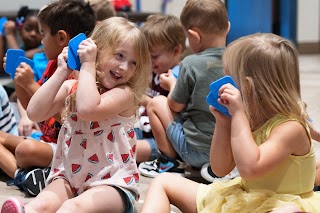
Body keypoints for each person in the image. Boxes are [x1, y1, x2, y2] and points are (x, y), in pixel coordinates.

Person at [141, 33, 320, 213]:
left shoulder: (290, 128)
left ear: (247, 86)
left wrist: (238, 116)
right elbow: (219, 168)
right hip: (244, 198)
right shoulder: (245, 119)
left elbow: (251, 168)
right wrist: (223, 122)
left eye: (228, 78)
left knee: (288, 211)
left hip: (281, 204)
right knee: (163, 182)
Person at [2, 16, 151, 213]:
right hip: (70, 177)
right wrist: (62, 71)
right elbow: (35, 112)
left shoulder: (125, 94)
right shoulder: (72, 86)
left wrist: (88, 65)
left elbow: (88, 109)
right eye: (120, 56)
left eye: (133, 63)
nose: (124, 67)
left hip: (113, 184)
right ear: (98, 49)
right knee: (42, 203)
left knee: (71, 208)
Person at [0, 0, 95, 196]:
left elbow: (63, 115)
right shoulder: (53, 66)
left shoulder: (78, 74)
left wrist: (29, 84)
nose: (41, 40)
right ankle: (25, 177)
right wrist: (19, 80)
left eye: (43, 33)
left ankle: (27, 173)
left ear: (61, 38)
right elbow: (36, 112)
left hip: (70, 150)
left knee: (25, 151)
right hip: (47, 142)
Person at [138, 0, 230, 178]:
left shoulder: (190, 64)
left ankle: (169, 163)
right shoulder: (237, 60)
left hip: (195, 151)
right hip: (227, 150)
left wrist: (172, 85)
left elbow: (175, 105)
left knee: (157, 103)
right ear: (227, 27)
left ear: (194, 36)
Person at [135, 14, 186, 163]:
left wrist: (144, 100)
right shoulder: (154, 71)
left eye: (155, 56)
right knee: (115, 141)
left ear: (176, 51)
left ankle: (166, 161)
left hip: (162, 141)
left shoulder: (178, 76)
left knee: (128, 150)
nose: (150, 62)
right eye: (146, 56)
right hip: (143, 130)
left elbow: (177, 110)